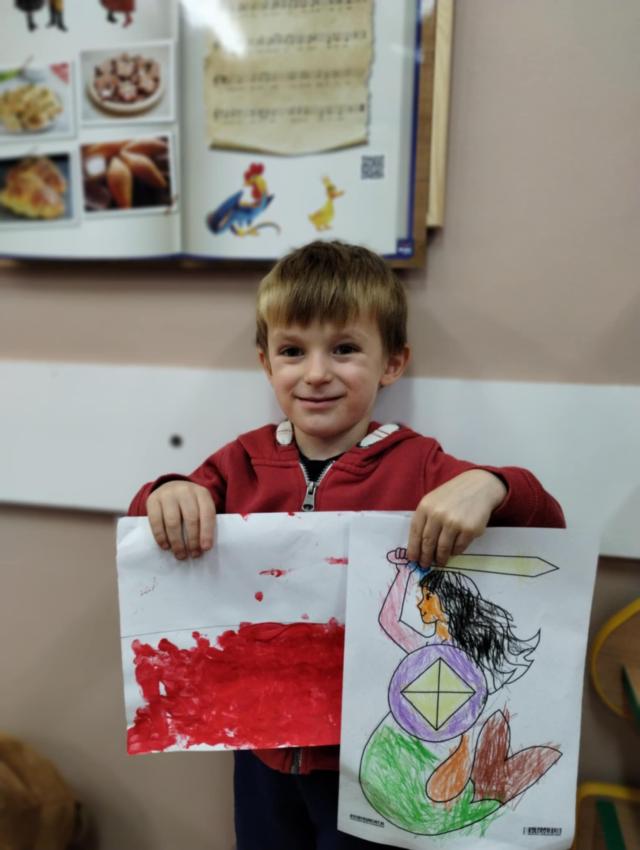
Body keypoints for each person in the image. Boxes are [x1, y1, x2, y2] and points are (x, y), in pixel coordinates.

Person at [128, 239, 565, 850]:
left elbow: (547, 528)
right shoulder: (239, 463)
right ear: (266, 364)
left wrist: (492, 485)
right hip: (260, 751)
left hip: (369, 764)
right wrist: (168, 491)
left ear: (393, 363)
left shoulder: (421, 466)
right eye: (292, 351)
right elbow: (148, 534)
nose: (315, 373)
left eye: (344, 349)